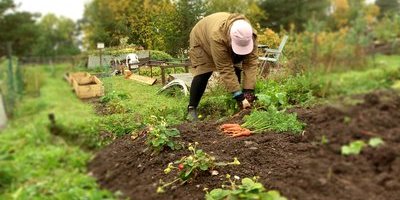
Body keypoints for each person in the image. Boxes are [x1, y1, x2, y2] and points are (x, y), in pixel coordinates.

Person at [187, 12, 258, 121]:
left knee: (237, 68)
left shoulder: (250, 34)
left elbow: (251, 63)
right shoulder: (217, 36)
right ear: (231, 38)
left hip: (224, 39)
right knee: (204, 72)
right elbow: (225, 68)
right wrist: (239, 95)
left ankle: (239, 107)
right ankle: (192, 109)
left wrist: (248, 91)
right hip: (202, 38)